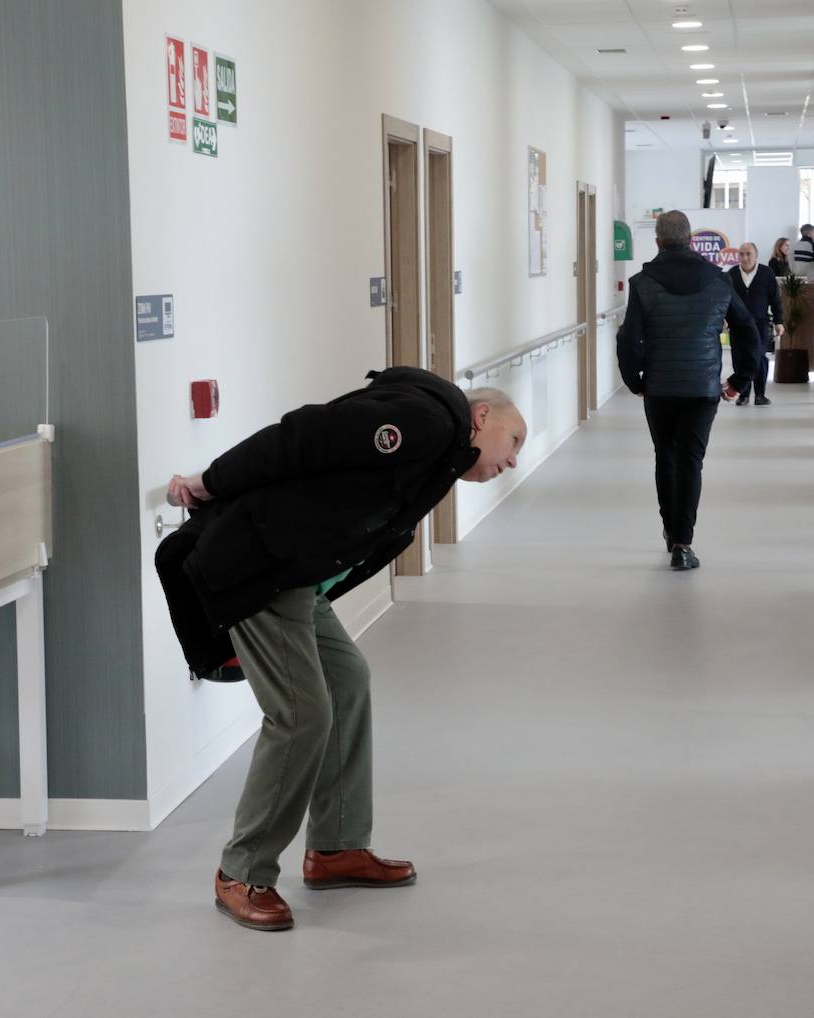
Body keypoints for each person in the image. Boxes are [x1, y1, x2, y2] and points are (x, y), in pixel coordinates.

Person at [157, 366, 527, 932]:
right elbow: (300, 437)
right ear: (482, 418)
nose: (513, 459)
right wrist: (212, 481)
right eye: (514, 440)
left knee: (346, 680)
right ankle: (242, 872)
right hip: (260, 565)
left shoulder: (440, 455)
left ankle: (335, 848)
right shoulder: (428, 422)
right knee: (302, 714)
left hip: (300, 575)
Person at [616, 210, 759, 571]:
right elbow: (747, 329)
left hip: (660, 387)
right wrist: (741, 379)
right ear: (691, 239)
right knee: (691, 461)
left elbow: (628, 338)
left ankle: (669, 530)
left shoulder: (642, 283)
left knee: (665, 456)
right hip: (702, 386)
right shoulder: (718, 280)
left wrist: (635, 382)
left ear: (658, 241)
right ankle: (683, 543)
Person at [728, 242, 785, 407]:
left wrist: (779, 322)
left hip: (760, 324)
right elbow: (724, 301)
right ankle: (743, 394)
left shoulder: (766, 274)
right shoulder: (731, 275)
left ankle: (760, 394)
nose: (745, 258)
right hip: (737, 325)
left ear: (756, 255)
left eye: (748, 254)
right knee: (739, 359)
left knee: (759, 357)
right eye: (741, 254)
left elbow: (776, 300)